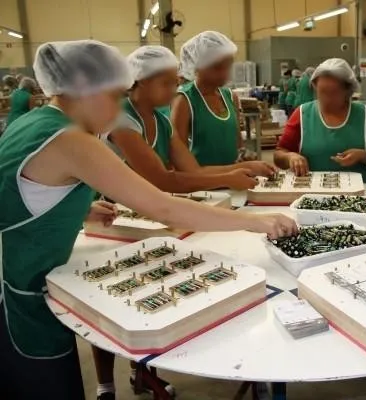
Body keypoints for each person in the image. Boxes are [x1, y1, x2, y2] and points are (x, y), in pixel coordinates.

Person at [0, 39, 297, 400]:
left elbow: (21, 189)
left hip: (19, 272)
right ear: (84, 89)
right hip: (21, 288)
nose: (117, 109)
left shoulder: (33, 122)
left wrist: (77, 208)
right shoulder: (70, 139)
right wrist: (255, 221)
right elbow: (163, 208)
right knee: (44, 382)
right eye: (114, 96)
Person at [106, 45, 271, 193]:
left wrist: (247, 167)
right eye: (166, 84)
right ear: (142, 80)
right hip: (113, 210)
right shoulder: (121, 120)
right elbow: (161, 180)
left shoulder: (162, 123)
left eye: (175, 83)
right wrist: (226, 179)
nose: (173, 91)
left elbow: (194, 171)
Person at [274, 58, 366, 182]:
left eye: (333, 93)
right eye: (322, 92)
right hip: (313, 190)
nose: (326, 99)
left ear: (348, 90)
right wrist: (290, 157)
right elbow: (279, 154)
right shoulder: (303, 114)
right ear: (315, 87)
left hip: (362, 190)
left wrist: (363, 156)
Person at [172, 31, 246, 166]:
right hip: (201, 177)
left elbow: (237, 141)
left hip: (234, 175)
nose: (225, 73)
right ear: (197, 66)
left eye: (228, 65)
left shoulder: (230, 97)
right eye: (217, 67)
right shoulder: (184, 100)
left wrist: (243, 156)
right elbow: (178, 156)